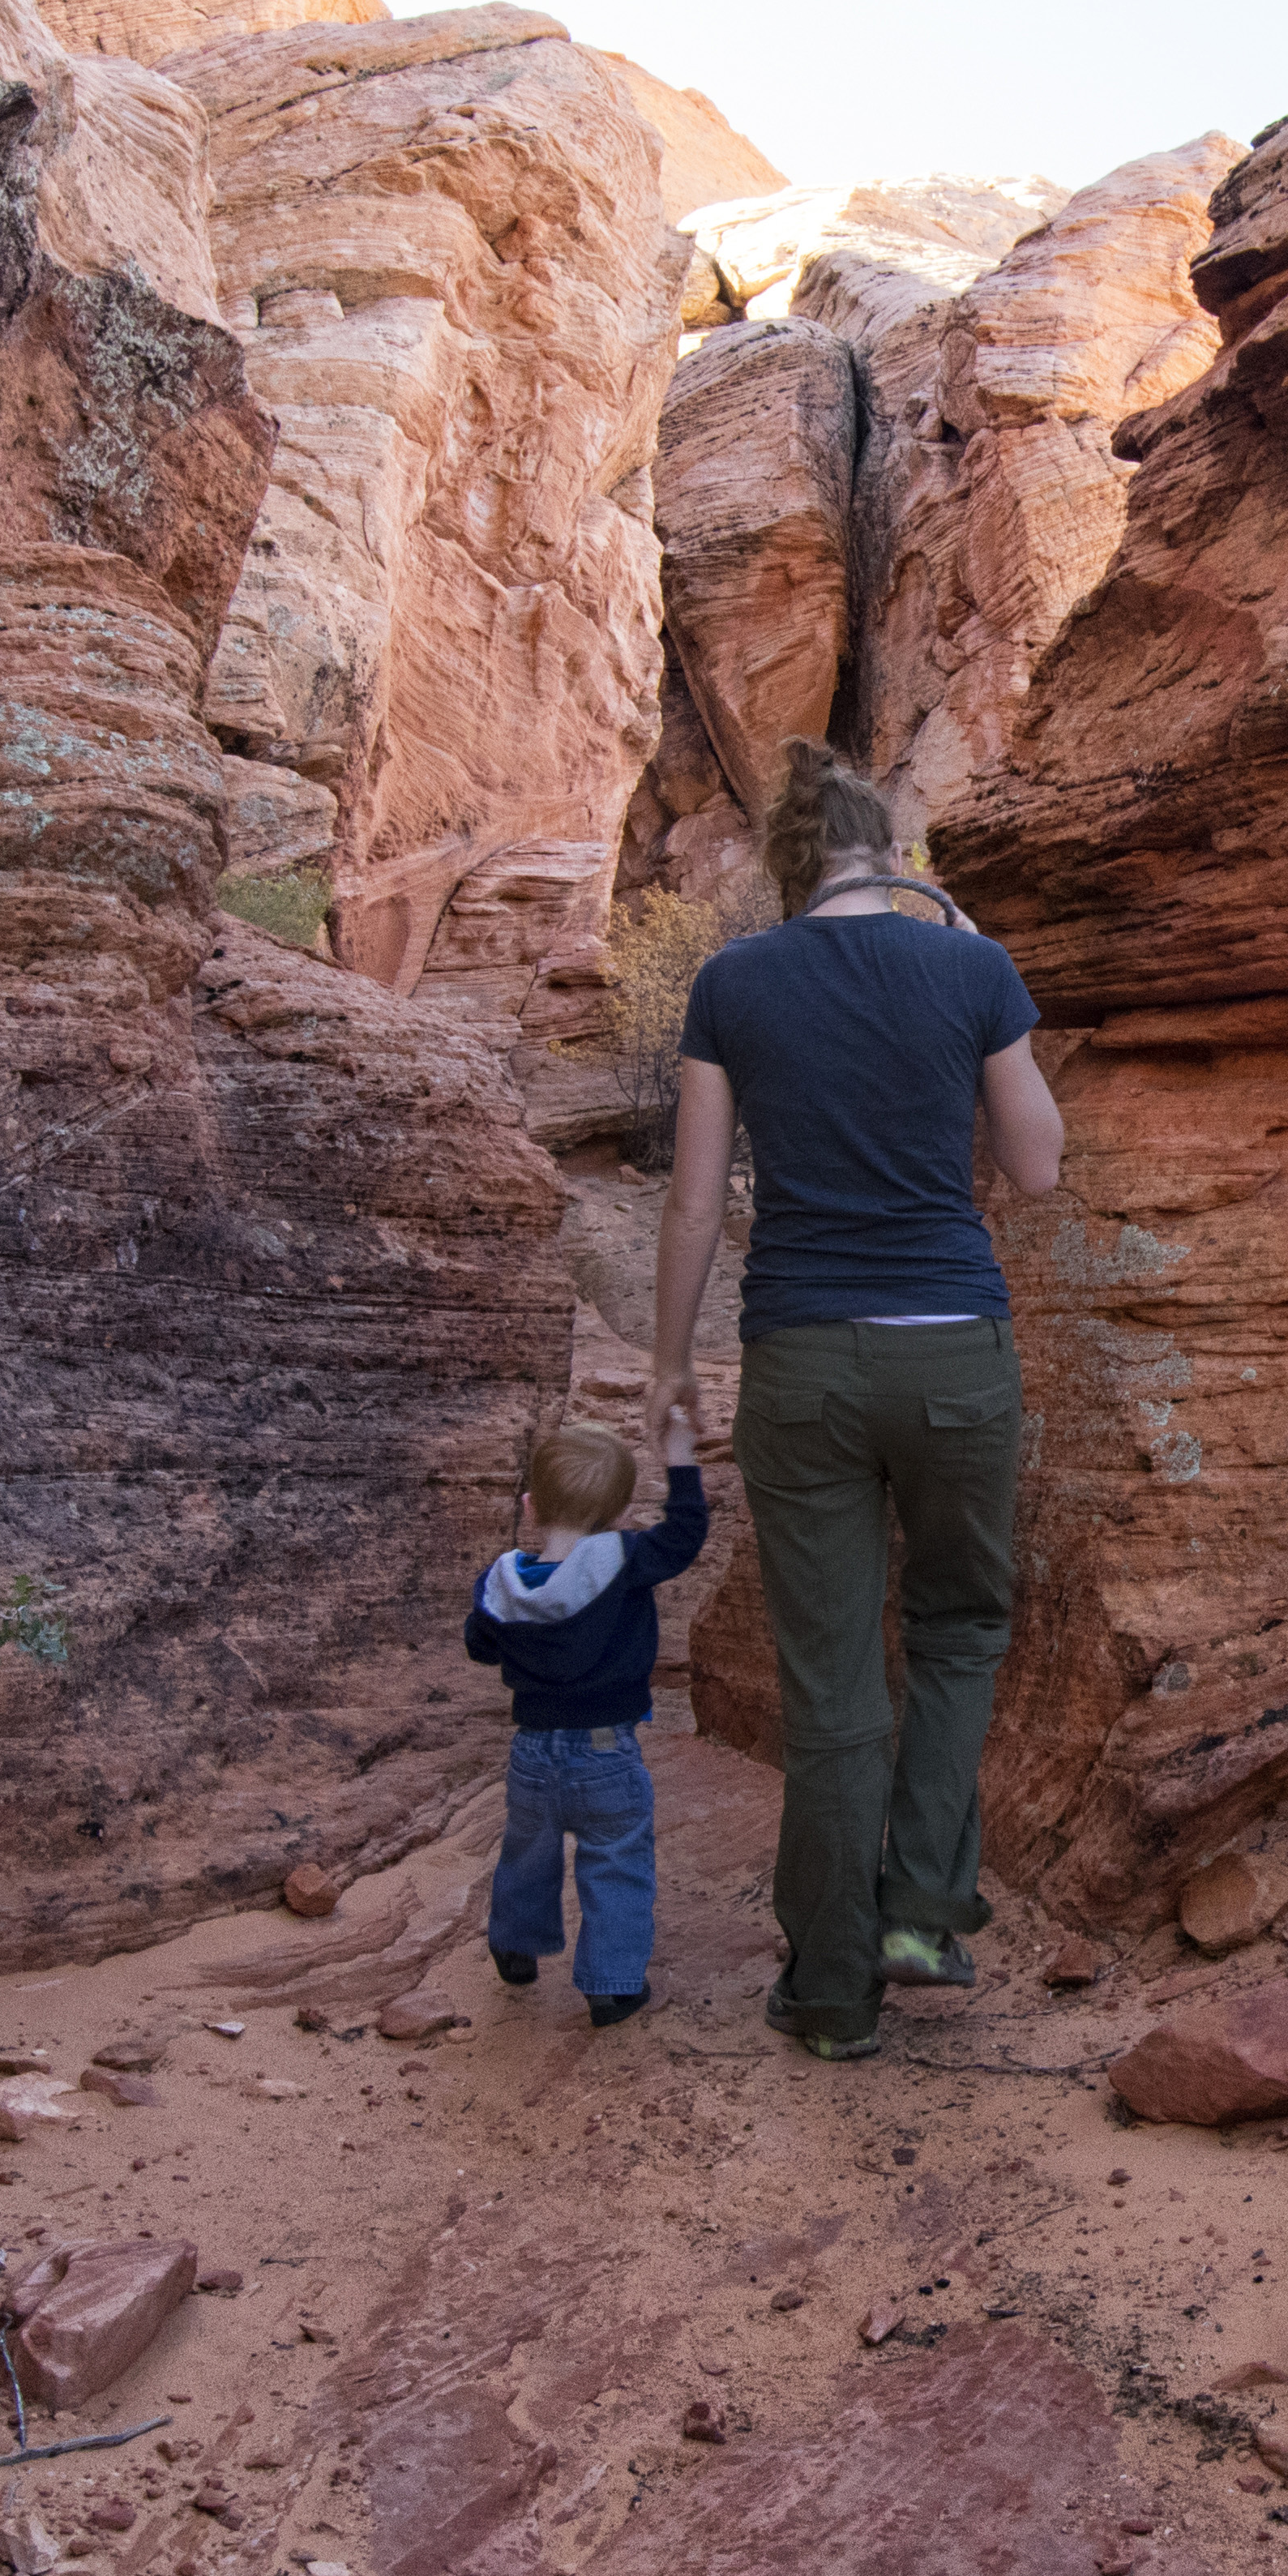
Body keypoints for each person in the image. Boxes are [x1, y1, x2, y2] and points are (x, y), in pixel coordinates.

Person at [643, 741, 1063, 2061]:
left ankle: (830, 1994)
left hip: (802, 1359)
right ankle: (922, 1910)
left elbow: (697, 1204)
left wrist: (665, 1375)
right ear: (893, 853)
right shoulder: (970, 969)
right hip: (952, 1353)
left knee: (832, 1687)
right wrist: (984, 963)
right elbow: (1040, 1167)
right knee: (956, 1628)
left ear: (784, 857)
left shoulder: (732, 984)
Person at [462, 1403, 710, 2030]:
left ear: (529, 1507)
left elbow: (479, 1644)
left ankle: (515, 1945)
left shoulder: (504, 1584)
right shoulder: (622, 1559)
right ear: (622, 1516)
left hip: (532, 1753)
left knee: (526, 1851)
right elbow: (684, 1538)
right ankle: (612, 1984)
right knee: (616, 1858)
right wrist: (680, 1458)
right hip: (606, 1750)